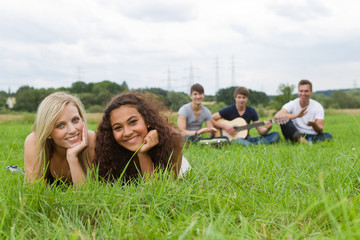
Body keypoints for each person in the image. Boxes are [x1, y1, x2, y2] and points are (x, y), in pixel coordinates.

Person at [95, 92, 190, 182]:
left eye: (133, 122)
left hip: (182, 169)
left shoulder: (171, 138)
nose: (127, 133)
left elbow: (159, 191)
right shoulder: (108, 149)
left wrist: (142, 154)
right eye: (118, 127)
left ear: (147, 120)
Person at [24, 92, 96, 185]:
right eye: (60, 125)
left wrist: (72, 158)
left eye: (75, 120)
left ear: (82, 119)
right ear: (48, 132)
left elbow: (86, 194)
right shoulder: (34, 141)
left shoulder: (92, 139)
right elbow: (34, 190)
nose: (72, 130)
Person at [212, 87, 280, 146]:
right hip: (232, 138)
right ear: (235, 98)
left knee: (275, 135)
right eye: (239, 97)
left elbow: (261, 131)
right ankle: (256, 145)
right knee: (239, 140)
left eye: (244, 97)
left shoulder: (251, 111)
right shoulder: (229, 109)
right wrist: (225, 126)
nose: (241, 100)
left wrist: (267, 129)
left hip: (247, 138)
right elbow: (211, 118)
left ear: (247, 98)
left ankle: (251, 145)